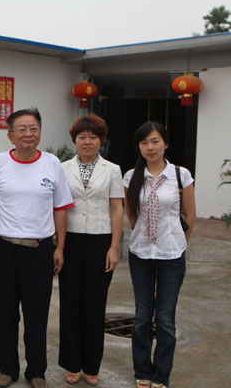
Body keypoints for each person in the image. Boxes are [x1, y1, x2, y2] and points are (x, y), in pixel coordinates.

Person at [0, 108, 73, 388]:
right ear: (10, 135)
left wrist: (59, 247)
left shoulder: (52, 164)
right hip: (4, 250)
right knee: (4, 313)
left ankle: (36, 370)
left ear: (40, 133)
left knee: (37, 314)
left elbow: (60, 208)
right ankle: (7, 367)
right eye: (21, 129)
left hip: (39, 250)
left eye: (33, 129)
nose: (28, 134)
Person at [123, 122, 196, 388]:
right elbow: (132, 214)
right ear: (139, 147)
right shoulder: (131, 176)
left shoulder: (180, 175)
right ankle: (142, 371)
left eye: (155, 141)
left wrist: (178, 242)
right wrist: (144, 235)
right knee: (142, 316)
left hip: (171, 256)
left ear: (165, 143)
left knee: (165, 319)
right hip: (140, 255)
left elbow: (191, 214)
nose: (150, 147)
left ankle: (161, 375)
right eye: (144, 143)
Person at [58, 114, 124, 386]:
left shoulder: (112, 169)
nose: (87, 142)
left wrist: (114, 247)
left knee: (95, 305)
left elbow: (117, 208)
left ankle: (91, 365)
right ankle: (72, 363)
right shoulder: (62, 168)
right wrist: (59, 246)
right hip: (71, 240)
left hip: (100, 241)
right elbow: (59, 207)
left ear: (101, 140)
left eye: (93, 137)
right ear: (75, 140)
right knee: (70, 303)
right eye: (82, 137)